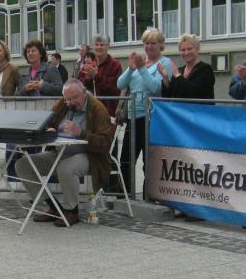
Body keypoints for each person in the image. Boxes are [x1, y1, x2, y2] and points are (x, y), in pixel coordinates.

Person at [15, 79, 114, 226]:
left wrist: (80, 132)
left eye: (75, 98)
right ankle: (54, 207)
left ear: (84, 93)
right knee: (23, 164)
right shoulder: (62, 104)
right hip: (59, 151)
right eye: (68, 99)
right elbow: (47, 122)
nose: (71, 102)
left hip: (89, 155)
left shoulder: (98, 109)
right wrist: (49, 130)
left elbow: (105, 143)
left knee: (66, 168)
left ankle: (71, 211)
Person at [116, 28, 173, 192]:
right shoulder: (140, 62)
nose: (149, 46)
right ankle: (126, 194)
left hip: (151, 117)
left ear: (161, 45)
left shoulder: (165, 63)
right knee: (126, 159)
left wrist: (141, 69)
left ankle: (149, 194)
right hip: (133, 116)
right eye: (146, 43)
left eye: (153, 43)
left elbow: (156, 88)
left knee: (149, 160)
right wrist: (130, 69)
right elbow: (120, 84)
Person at [159, 34, 215, 99]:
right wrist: (165, 79)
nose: (186, 53)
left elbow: (194, 93)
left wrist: (177, 75)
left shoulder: (206, 69)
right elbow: (167, 97)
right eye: (183, 50)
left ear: (198, 49)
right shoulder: (180, 71)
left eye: (189, 49)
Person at [77, 35, 122, 115]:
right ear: (92, 47)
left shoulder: (115, 65)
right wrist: (87, 79)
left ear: (108, 47)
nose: (99, 47)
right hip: (89, 111)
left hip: (108, 111)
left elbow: (114, 88)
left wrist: (96, 76)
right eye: (96, 45)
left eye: (102, 45)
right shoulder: (88, 66)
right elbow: (78, 87)